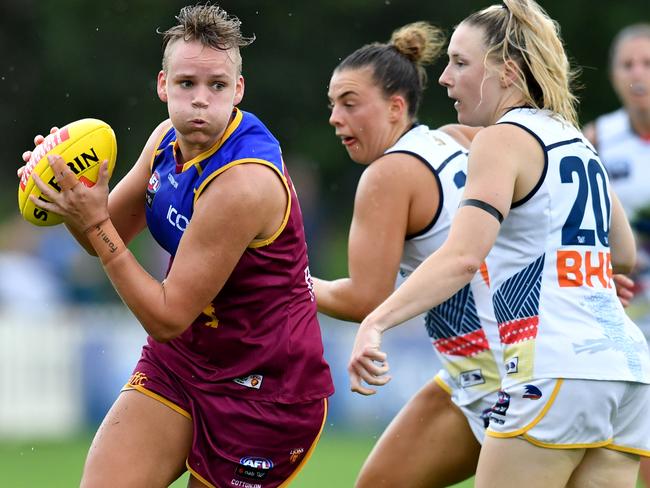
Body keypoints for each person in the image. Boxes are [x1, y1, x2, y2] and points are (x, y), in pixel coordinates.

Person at [21, 4, 334, 487]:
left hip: (264, 390)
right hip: (185, 361)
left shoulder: (242, 182)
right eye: (187, 84)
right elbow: (99, 236)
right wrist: (65, 193)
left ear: (239, 91)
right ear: (163, 85)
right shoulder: (164, 141)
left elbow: (165, 316)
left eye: (217, 86)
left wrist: (94, 223)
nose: (201, 101)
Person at [347, 1, 650, 487]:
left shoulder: (500, 139)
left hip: (554, 370)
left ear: (507, 71)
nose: (445, 77)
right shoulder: (575, 139)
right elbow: (626, 254)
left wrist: (376, 321)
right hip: (627, 374)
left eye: (461, 63)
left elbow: (463, 258)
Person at [314, 22, 501, 487]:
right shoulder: (458, 138)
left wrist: (280, 278)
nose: (336, 118)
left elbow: (364, 299)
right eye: (333, 105)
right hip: (484, 369)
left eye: (350, 103)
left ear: (396, 107)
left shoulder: (389, 174)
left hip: (504, 373)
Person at [582, 23, 650, 488]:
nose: (639, 74)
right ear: (613, 76)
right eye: (628, 65)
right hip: (625, 316)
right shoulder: (596, 141)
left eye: (648, 63)